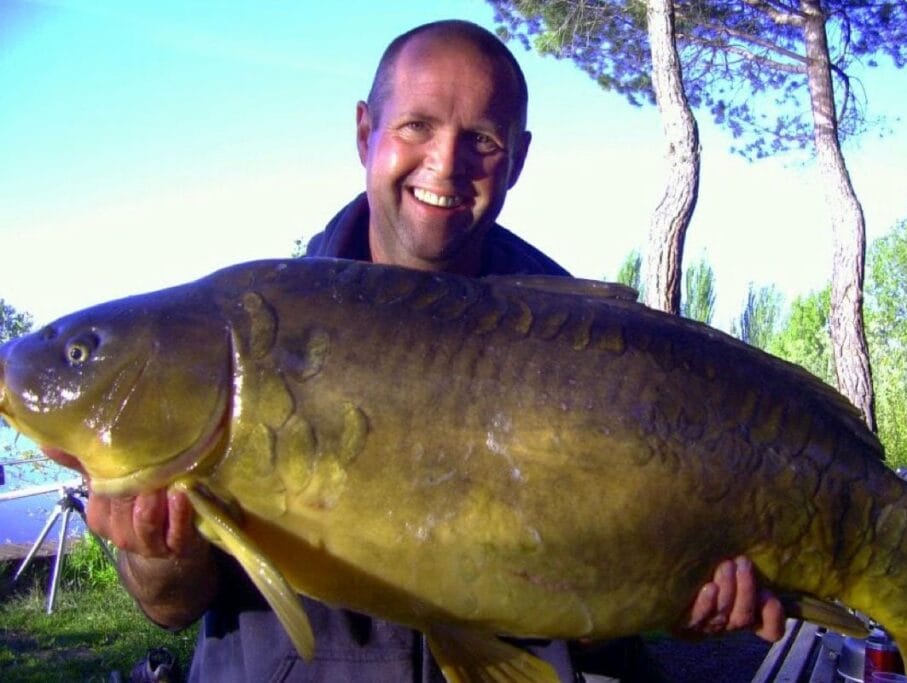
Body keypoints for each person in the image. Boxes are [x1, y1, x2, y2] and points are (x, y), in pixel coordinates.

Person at [59, 19, 784, 682]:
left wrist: (664, 595)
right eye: (416, 126)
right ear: (365, 132)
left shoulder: (596, 357)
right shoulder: (249, 335)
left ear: (518, 160)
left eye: (484, 140)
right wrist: (158, 553)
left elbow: (595, 629)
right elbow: (171, 606)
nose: (445, 163)